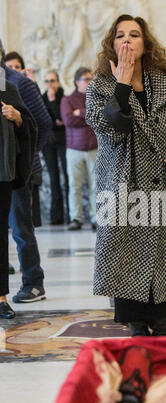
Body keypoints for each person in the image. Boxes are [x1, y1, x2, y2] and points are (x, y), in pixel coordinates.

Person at [86, 15, 166, 337]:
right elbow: (110, 129)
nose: (127, 40)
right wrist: (122, 85)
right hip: (126, 192)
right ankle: (138, 341)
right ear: (112, 44)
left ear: (145, 42)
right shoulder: (100, 86)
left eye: (134, 34)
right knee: (129, 276)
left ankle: (163, 335)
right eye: (120, 35)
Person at [2, 42, 52, 304]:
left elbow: (41, 123)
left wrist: (28, 154)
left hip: (19, 169)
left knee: (21, 227)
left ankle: (33, 282)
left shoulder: (17, 82)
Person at [0, 57, 37, 318]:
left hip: (2, 173)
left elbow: (32, 125)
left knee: (1, 238)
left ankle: (1, 297)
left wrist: (18, 118)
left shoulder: (8, 88)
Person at [61, 67, 98, 231]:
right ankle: (76, 218)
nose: (90, 82)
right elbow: (69, 121)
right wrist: (86, 116)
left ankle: (96, 218)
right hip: (74, 149)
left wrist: (80, 113)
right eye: (86, 79)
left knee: (96, 185)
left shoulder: (97, 98)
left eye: (91, 78)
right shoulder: (67, 100)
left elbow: (98, 119)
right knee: (74, 186)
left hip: (94, 148)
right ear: (77, 82)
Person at [42, 70, 69, 225]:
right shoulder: (41, 98)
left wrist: (53, 101)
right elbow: (45, 121)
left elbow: (62, 118)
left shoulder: (64, 98)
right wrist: (56, 121)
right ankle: (56, 216)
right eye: (47, 81)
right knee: (54, 178)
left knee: (67, 176)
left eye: (52, 80)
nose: (50, 84)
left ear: (58, 82)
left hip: (64, 140)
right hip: (48, 142)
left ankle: (71, 216)